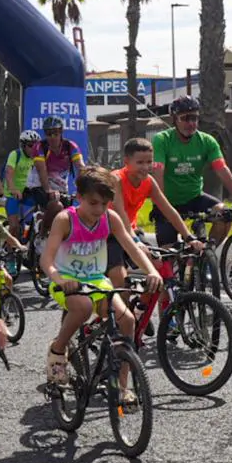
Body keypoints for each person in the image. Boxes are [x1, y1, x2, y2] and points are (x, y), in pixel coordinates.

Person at [40, 166, 161, 403]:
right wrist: (60, 279)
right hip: (66, 280)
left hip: (97, 281)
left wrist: (151, 271)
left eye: (105, 204)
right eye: (93, 203)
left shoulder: (110, 218)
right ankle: (58, 348)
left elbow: (132, 248)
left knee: (127, 320)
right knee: (83, 307)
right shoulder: (65, 220)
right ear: (79, 198)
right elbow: (46, 259)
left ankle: (121, 386)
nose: (99, 210)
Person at [107, 136, 203, 290]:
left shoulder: (149, 182)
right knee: (121, 284)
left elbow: (169, 210)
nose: (146, 167)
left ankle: (144, 309)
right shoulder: (116, 179)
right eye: (140, 162)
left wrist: (188, 237)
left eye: (149, 162)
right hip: (110, 234)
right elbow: (121, 215)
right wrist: (136, 242)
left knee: (159, 270)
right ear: (126, 162)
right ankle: (121, 313)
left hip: (131, 232)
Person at [150, 95, 232, 246]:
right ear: (174, 120)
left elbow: (222, 169)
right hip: (168, 201)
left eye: (194, 118)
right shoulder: (162, 140)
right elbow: (158, 172)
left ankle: (206, 257)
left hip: (195, 198)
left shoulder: (207, 141)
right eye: (185, 118)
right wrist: (160, 204)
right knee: (168, 256)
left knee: (225, 215)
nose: (191, 123)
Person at [1, 130, 46, 239]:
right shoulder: (15, 154)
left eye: (36, 146)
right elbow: (9, 172)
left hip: (28, 192)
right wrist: (13, 189)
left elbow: (44, 174)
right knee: (14, 226)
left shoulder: (38, 157)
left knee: (42, 216)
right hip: (12, 194)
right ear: (23, 145)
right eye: (30, 146)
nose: (33, 149)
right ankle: (9, 251)